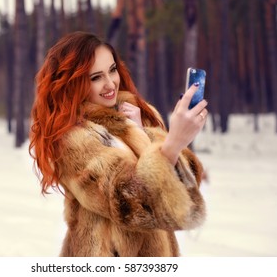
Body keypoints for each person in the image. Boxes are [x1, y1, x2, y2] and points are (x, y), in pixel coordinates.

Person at [29, 31, 208, 257]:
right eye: (95, 77)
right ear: (72, 84)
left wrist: (142, 134)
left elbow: (186, 188)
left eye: (112, 70)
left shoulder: (137, 115)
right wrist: (173, 143)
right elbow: (129, 202)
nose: (110, 83)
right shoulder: (72, 140)